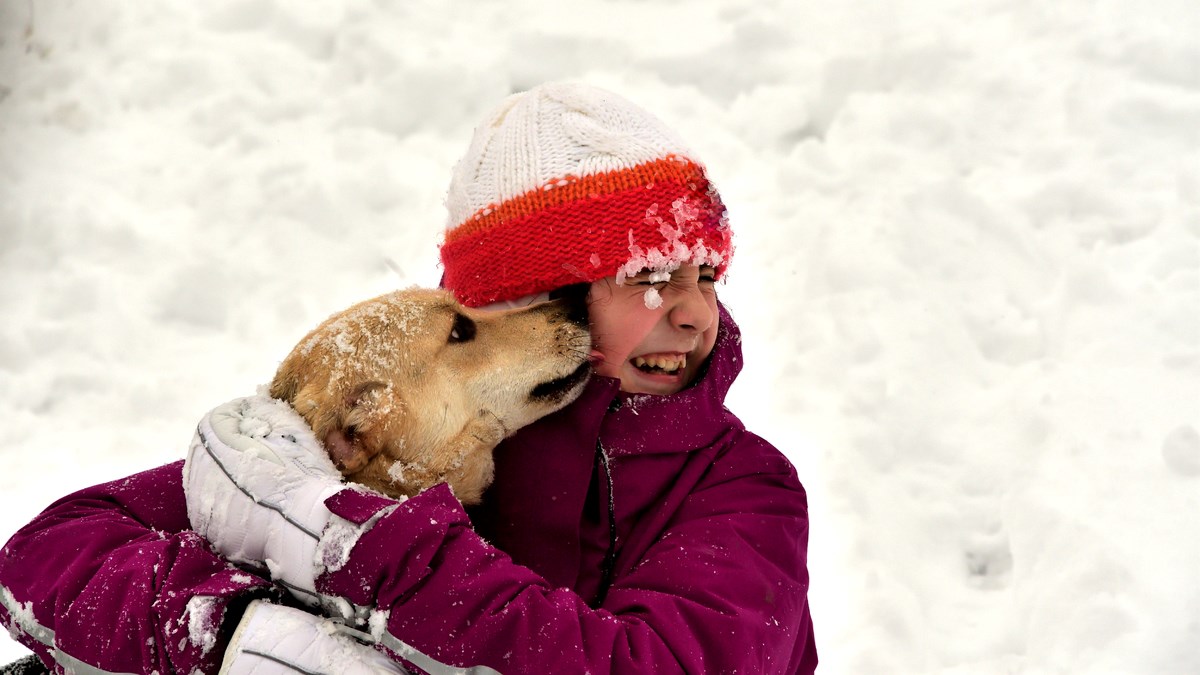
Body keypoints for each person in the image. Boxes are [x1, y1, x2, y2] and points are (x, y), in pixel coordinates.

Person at [0, 82, 817, 674]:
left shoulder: (744, 490)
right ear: (529, 298)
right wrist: (241, 634)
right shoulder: (429, 441)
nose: (692, 313)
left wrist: (351, 544)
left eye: (705, 275)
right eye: (648, 275)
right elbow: (50, 554)